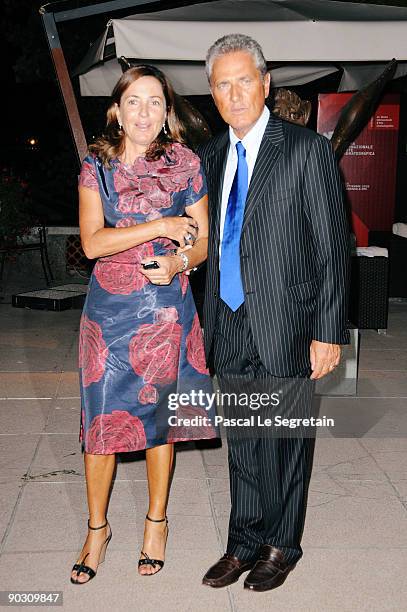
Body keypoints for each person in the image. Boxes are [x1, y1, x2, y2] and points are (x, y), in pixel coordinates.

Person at [198, 34, 350, 592]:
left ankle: (282, 543)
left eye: (244, 80)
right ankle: (244, 540)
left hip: (288, 324)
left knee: (285, 439)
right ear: (212, 93)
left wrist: (328, 332)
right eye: (222, 84)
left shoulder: (306, 149)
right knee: (242, 438)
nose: (235, 93)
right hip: (229, 320)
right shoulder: (212, 157)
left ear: (265, 83)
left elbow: (335, 249)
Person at [71, 65, 217, 585]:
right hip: (108, 315)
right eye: (135, 101)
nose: (144, 112)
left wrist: (180, 262)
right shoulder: (98, 166)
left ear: (167, 111)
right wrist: (157, 227)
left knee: (162, 422)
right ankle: (96, 530)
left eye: (155, 102)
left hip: (166, 310)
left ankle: (157, 522)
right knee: (100, 424)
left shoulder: (187, 163)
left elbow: (202, 241)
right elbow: (92, 243)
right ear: (118, 108)